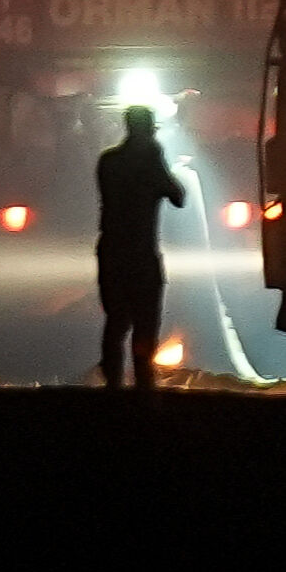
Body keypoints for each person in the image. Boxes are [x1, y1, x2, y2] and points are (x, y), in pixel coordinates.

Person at [92, 101, 186, 389]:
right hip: (141, 252)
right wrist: (160, 160)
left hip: (111, 249)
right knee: (146, 319)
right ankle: (144, 383)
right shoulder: (150, 162)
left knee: (117, 319)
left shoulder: (108, 161)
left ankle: (113, 383)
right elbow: (178, 197)